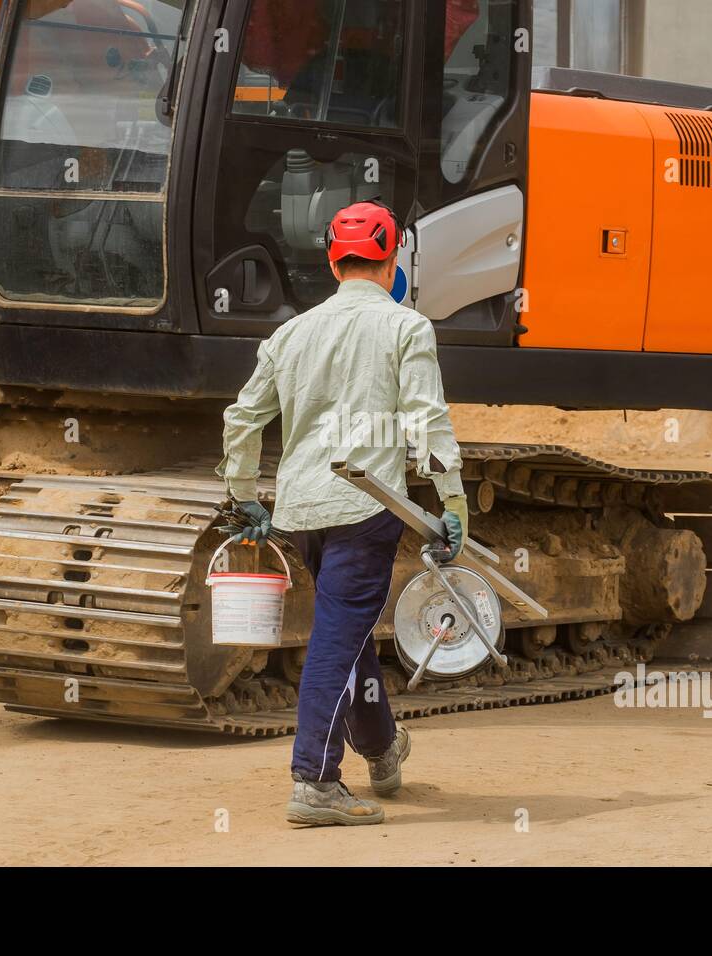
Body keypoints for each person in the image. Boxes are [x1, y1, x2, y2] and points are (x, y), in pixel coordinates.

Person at [217, 201, 468, 826]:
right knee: (337, 640)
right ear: (394, 261)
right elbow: (426, 420)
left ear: (334, 261)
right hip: (366, 506)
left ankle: (381, 749)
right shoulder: (407, 328)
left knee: (346, 637)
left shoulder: (290, 334)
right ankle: (315, 781)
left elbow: (242, 417)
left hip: (301, 511)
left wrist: (244, 491)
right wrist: (453, 500)